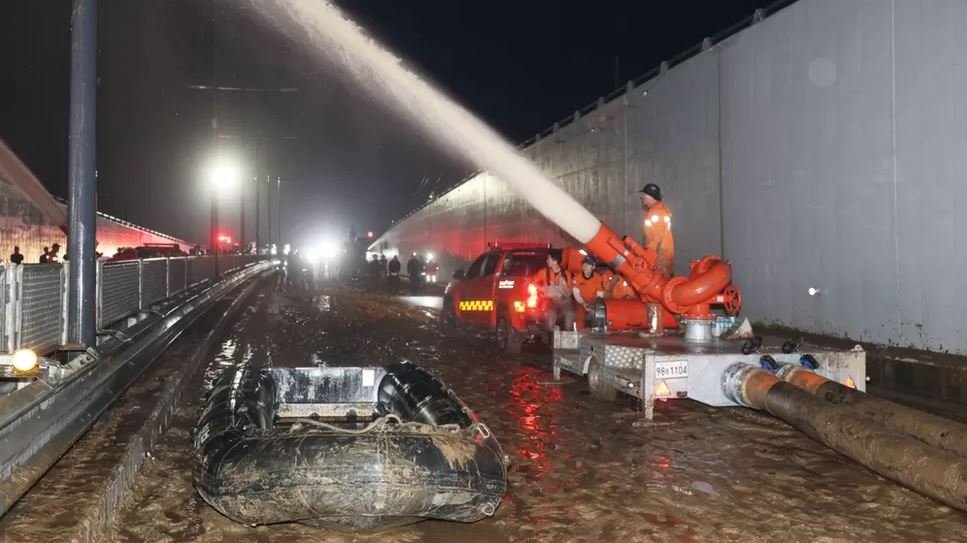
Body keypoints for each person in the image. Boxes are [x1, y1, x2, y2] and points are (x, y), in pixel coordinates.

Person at [638, 183, 675, 278]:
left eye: (644, 195)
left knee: (661, 284)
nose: (642, 198)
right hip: (659, 256)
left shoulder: (657, 213)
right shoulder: (655, 211)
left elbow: (657, 239)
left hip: (659, 258)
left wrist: (652, 257)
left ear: (650, 197)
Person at [532, 252, 574, 333]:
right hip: (549, 300)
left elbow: (569, 293)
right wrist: (543, 289)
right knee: (551, 313)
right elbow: (532, 281)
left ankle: (568, 335)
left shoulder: (566, 274)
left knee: (570, 313)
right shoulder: (544, 272)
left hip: (563, 300)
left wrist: (564, 285)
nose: (547, 261)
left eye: (549, 259)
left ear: (555, 261)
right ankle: (550, 335)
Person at [570, 255, 611, 329]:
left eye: (588, 265)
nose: (585, 266)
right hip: (580, 302)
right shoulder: (577, 278)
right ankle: (579, 332)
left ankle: (598, 331)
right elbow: (576, 294)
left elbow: (600, 294)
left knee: (599, 311)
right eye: (584, 264)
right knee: (579, 312)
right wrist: (583, 303)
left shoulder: (598, 278)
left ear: (593, 267)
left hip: (593, 301)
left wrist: (593, 304)